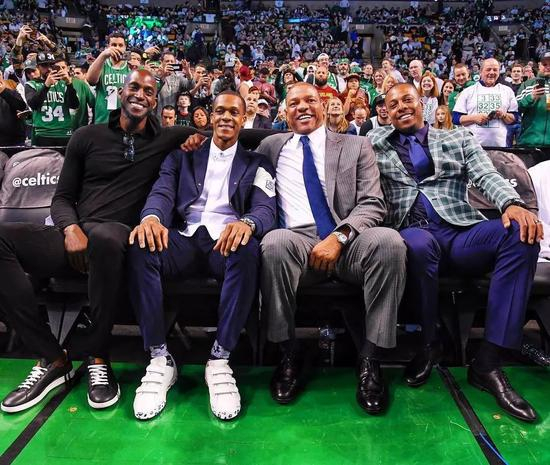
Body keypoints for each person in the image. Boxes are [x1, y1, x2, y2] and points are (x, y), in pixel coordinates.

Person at [0, 69, 197, 414]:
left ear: (155, 101)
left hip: (120, 241)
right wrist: (70, 229)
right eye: (134, 87)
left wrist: (196, 138)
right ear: (121, 91)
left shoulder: (168, 138)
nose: (140, 94)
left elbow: (229, 133)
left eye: (148, 91)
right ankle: (52, 357)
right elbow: (63, 198)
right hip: (76, 238)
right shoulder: (86, 136)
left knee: (107, 237)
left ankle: (98, 355)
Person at [369, 83, 542, 423]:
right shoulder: (374, 142)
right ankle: (429, 343)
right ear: (386, 113)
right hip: (412, 229)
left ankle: (489, 361)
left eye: (408, 99)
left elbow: (486, 174)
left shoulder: (458, 138)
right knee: (418, 245)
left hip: (460, 231)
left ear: (422, 104)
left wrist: (512, 203)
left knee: (522, 233)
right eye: (393, 103)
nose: (401, 106)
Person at [256, 82, 407, 415]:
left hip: (348, 239)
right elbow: (230, 147)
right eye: (294, 103)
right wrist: (192, 140)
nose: (302, 107)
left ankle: (371, 359)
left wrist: (339, 237)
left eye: (310, 100)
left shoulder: (357, 144)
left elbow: (373, 203)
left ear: (323, 105)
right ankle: (289, 353)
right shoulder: (270, 146)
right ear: (284, 112)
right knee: (274, 243)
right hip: (297, 242)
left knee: (389, 242)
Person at [127, 90, 276, 421]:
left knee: (248, 247)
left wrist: (248, 223)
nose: (226, 117)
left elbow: (266, 208)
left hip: (225, 242)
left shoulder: (257, 162)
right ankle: (159, 358)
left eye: (234, 112)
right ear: (211, 116)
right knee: (141, 242)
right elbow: (162, 192)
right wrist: (151, 218)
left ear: (243, 119)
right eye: (220, 111)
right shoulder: (182, 156)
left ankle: (220, 358)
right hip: (184, 237)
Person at [453, 58, 519, 147]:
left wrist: (504, 115)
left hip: (501, 146)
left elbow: (515, 118)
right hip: (473, 147)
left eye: (495, 70)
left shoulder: (507, 91)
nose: (491, 72)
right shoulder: (468, 91)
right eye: (488, 69)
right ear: (481, 72)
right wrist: (474, 118)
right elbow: (456, 118)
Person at [25, 54, 79, 146]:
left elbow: (74, 105)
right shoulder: (31, 84)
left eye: (51, 65)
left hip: (64, 132)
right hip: (43, 132)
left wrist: (69, 83)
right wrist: (46, 86)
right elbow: (33, 104)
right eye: (44, 65)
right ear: (38, 67)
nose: (49, 68)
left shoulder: (63, 83)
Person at [86, 32, 130, 124]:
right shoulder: (101, 64)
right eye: (113, 45)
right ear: (108, 47)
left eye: (120, 45)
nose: (117, 48)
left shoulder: (130, 66)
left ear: (125, 47)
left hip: (125, 121)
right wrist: (103, 55)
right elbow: (90, 80)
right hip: (103, 120)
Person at [516, 51, 550, 151]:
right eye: (545, 64)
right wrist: (531, 97)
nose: (548, 67)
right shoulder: (527, 85)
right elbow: (516, 109)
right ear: (539, 65)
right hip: (530, 142)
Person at [156, 52, 193, 119]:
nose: (170, 63)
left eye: (172, 61)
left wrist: (188, 73)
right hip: (158, 115)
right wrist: (163, 76)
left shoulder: (178, 78)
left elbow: (191, 86)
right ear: (161, 62)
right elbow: (154, 90)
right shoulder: (156, 76)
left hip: (173, 116)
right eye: (167, 61)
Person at [0, 72, 27, 145]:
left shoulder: (12, 90)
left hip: (15, 140)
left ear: (2, 77)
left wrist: (3, 91)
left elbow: (21, 106)